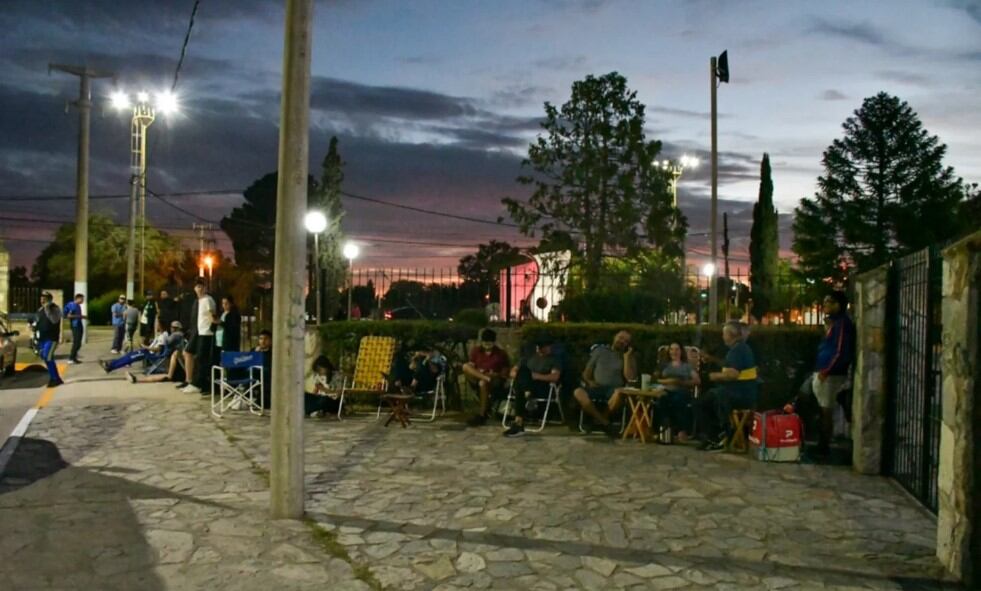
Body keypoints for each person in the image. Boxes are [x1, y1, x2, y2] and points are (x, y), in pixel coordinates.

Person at [697, 321, 759, 451]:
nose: (722, 337)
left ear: (731, 335)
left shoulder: (737, 351)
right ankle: (718, 435)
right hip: (746, 394)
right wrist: (712, 359)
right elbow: (730, 366)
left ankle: (718, 435)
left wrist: (712, 376)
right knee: (712, 396)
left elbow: (733, 374)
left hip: (739, 395)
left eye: (724, 334)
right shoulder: (741, 348)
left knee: (704, 402)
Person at [811, 290, 855, 457]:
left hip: (830, 374)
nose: (825, 306)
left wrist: (827, 370)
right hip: (823, 371)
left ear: (838, 304)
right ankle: (822, 443)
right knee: (821, 407)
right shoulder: (834, 323)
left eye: (829, 302)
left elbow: (841, 350)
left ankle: (823, 447)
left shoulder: (842, 324)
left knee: (826, 410)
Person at [573, 330, 637, 437]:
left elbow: (630, 378)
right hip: (597, 387)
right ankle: (604, 422)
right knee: (578, 392)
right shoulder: (600, 351)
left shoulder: (629, 357)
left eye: (626, 341)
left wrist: (626, 358)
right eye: (620, 338)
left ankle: (600, 420)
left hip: (614, 389)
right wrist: (589, 382)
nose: (622, 341)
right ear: (614, 337)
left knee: (619, 393)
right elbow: (586, 373)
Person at [502, 338, 561, 438]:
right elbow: (513, 372)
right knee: (523, 371)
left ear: (548, 347)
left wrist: (537, 376)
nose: (539, 350)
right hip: (525, 386)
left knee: (522, 378)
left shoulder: (554, 360)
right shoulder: (529, 358)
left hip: (541, 387)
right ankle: (527, 394)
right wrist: (524, 376)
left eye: (542, 347)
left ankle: (519, 423)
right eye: (538, 347)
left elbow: (555, 377)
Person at [463, 329, 511, 427]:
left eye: (489, 343)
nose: (487, 345)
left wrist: (494, 375)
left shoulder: (500, 354)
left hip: (493, 379)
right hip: (479, 375)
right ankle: (485, 378)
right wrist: (481, 373)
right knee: (465, 366)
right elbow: (471, 365)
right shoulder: (476, 351)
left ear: (493, 342)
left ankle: (482, 414)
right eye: (485, 342)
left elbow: (504, 372)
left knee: (482, 383)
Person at [654, 342, 700, 443]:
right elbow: (655, 379)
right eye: (672, 349)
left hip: (682, 390)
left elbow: (697, 381)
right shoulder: (664, 365)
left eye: (677, 349)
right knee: (662, 400)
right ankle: (665, 430)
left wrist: (682, 382)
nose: (674, 352)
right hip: (666, 390)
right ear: (669, 351)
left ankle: (681, 431)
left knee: (678, 399)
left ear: (681, 351)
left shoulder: (686, 366)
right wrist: (669, 381)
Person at [102, 321, 184, 374]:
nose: (155, 325)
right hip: (148, 352)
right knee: (129, 355)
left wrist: (146, 347)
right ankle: (111, 365)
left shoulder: (167, 336)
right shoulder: (164, 335)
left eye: (157, 324)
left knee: (130, 358)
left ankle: (110, 366)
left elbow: (158, 349)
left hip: (153, 355)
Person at [181, 280, 217, 395]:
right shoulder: (198, 301)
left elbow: (213, 315)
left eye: (201, 287)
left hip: (206, 332)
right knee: (189, 353)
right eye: (197, 287)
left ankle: (199, 384)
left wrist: (214, 325)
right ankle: (190, 380)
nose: (199, 289)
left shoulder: (207, 300)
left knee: (202, 358)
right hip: (198, 331)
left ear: (205, 288)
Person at [36, 292, 64, 387]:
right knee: (45, 357)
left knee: (47, 356)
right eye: (41, 297)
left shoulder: (54, 308)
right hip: (42, 338)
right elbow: (38, 322)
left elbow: (54, 320)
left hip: (51, 338)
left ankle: (55, 379)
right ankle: (56, 377)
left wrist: (47, 308)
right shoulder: (40, 310)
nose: (42, 299)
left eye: (45, 298)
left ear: (49, 299)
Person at [63, 293, 86, 364]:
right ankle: (70, 358)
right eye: (82, 299)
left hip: (79, 324)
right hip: (75, 325)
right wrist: (80, 316)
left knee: (79, 343)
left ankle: (74, 357)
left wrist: (81, 317)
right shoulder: (72, 305)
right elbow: (69, 316)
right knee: (76, 342)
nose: (83, 300)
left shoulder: (78, 306)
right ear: (78, 298)